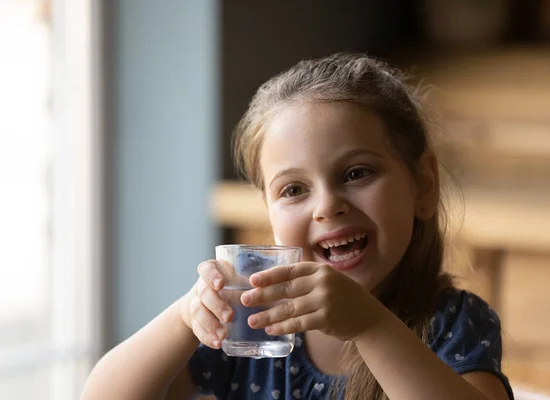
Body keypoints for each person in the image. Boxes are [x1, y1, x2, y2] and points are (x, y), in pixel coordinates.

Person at [81, 53, 514, 400]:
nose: (327, 207)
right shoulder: (253, 327)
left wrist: (371, 325)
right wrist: (182, 318)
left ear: (422, 184)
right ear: (267, 210)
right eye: (293, 190)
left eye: (357, 173)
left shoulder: (454, 322)